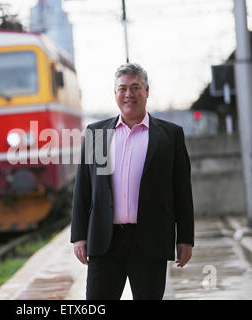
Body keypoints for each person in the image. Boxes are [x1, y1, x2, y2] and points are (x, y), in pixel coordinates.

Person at [70, 63, 194, 300]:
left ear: (147, 90)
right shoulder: (97, 135)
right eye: (122, 88)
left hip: (150, 240)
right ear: (115, 93)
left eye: (135, 88)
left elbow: (182, 191)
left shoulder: (169, 135)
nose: (129, 94)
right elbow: (83, 189)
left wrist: (185, 238)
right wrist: (79, 235)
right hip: (105, 241)